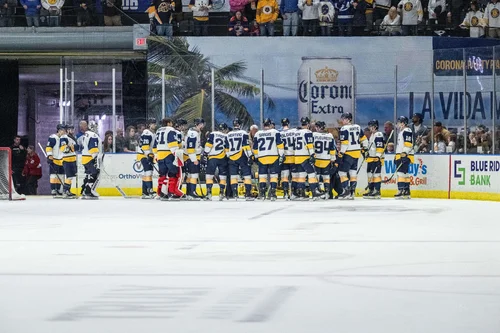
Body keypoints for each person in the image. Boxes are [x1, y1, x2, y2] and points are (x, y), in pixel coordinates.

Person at [337, 112, 368, 200]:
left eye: (343, 119)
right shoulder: (357, 127)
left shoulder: (344, 128)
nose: (342, 120)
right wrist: (365, 148)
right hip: (356, 153)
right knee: (353, 172)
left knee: (342, 172)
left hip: (348, 153)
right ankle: (352, 192)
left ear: (348, 119)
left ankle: (346, 191)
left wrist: (341, 153)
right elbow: (364, 139)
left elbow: (345, 143)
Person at [293, 117, 324, 200]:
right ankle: (314, 191)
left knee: (301, 175)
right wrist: (312, 154)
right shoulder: (308, 132)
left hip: (297, 157)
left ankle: (301, 193)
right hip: (304, 156)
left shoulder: (296, 132)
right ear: (308, 124)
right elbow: (309, 144)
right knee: (312, 174)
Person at [252, 118, 284, 200]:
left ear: (263, 125)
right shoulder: (275, 132)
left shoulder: (257, 134)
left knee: (262, 176)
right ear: (270, 125)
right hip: (273, 157)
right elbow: (279, 144)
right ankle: (273, 193)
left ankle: (262, 193)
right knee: (273, 176)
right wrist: (281, 155)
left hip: (262, 157)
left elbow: (255, 148)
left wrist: (256, 157)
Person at [155, 118, 184, 199]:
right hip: (169, 154)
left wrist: (156, 155)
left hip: (160, 154)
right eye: (171, 123)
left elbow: (155, 145)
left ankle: (161, 193)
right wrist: (176, 154)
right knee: (173, 174)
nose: (172, 124)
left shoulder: (158, 130)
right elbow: (172, 143)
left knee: (162, 175)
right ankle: (171, 192)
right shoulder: (171, 130)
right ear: (168, 123)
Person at [226, 118, 253, 200]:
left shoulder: (228, 134)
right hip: (242, 156)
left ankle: (235, 194)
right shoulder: (243, 133)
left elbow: (226, 147)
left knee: (233, 176)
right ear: (240, 125)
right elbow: (246, 146)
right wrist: (250, 156)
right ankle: (248, 194)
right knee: (247, 175)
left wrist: (228, 155)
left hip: (232, 157)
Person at [203, 123, 229, 200]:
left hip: (212, 158)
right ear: (225, 129)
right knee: (223, 177)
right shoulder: (226, 136)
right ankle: (221, 193)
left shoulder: (213, 134)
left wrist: (205, 153)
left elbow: (209, 144)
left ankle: (209, 193)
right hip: (222, 158)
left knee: (209, 176)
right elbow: (227, 147)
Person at [312, 121, 336, 200]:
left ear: (318, 127)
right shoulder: (330, 135)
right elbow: (332, 148)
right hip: (326, 159)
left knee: (317, 177)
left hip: (317, 159)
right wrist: (333, 159)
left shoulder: (314, 135)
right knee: (326, 177)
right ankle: (327, 193)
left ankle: (318, 192)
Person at [363, 120, 385, 199]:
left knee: (376, 175)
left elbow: (380, 147)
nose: (369, 128)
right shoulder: (372, 135)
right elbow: (372, 147)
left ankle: (377, 191)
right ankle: (371, 190)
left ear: (375, 126)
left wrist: (378, 157)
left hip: (376, 159)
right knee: (370, 174)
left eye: (371, 126)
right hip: (371, 158)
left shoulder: (378, 134)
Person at [184, 118, 205, 200]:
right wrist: (194, 159)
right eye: (202, 124)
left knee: (190, 175)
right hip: (193, 157)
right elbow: (190, 147)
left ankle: (189, 193)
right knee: (194, 175)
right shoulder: (193, 133)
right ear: (200, 124)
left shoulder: (195, 132)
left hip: (191, 156)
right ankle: (192, 193)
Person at [80, 121, 102, 199]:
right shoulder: (93, 135)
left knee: (88, 175)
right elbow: (93, 148)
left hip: (84, 158)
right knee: (94, 174)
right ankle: (88, 191)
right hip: (90, 158)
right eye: (95, 126)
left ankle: (83, 190)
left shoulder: (85, 134)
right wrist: (95, 158)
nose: (96, 128)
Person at [138, 119, 157, 199]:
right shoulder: (147, 133)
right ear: (149, 124)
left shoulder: (152, 133)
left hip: (148, 155)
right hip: (144, 155)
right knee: (148, 172)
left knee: (147, 172)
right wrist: (148, 155)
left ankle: (145, 192)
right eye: (153, 124)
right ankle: (149, 190)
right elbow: (145, 146)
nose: (155, 125)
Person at [395, 116, 413, 199]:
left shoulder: (407, 130)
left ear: (403, 123)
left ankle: (401, 190)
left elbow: (408, 144)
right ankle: (406, 190)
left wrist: (404, 153)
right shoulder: (402, 132)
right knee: (405, 173)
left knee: (401, 173)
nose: (397, 124)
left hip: (404, 155)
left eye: (399, 122)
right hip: (401, 155)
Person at [46, 124, 66, 197]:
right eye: (63, 130)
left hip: (61, 160)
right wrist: (50, 156)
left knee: (61, 176)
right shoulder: (53, 137)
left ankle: (58, 189)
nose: (64, 132)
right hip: (54, 159)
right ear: (59, 130)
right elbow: (49, 147)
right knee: (54, 176)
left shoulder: (63, 138)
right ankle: (53, 190)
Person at [59, 124, 78, 199]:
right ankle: (65, 190)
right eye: (71, 129)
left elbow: (78, 147)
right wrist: (72, 148)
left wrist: (71, 147)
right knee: (69, 176)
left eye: (73, 129)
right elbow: (64, 148)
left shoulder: (72, 138)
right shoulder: (64, 137)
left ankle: (67, 190)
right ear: (67, 130)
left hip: (72, 159)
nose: (72, 131)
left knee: (71, 176)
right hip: (67, 159)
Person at [279, 118, 296, 200]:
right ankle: (293, 193)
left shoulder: (279, 133)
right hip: (293, 157)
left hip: (284, 158)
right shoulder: (293, 132)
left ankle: (285, 193)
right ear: (288, 124)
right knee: (294, 176)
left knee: (284, 176)